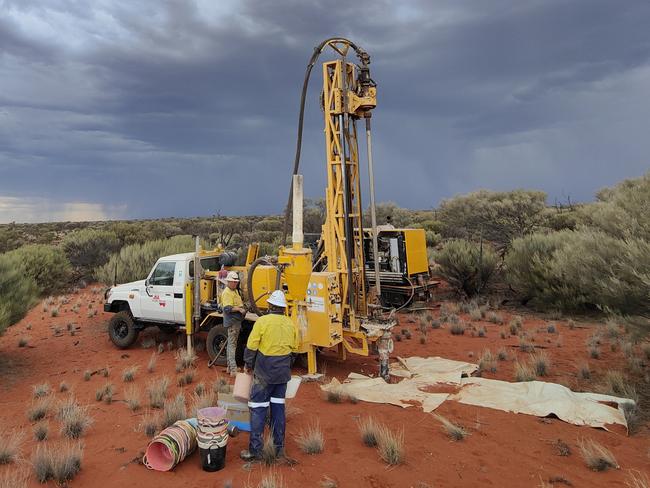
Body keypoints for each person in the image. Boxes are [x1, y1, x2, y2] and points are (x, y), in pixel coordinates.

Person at [240, 290, 298, 462]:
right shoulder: (290, 323)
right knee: (278, 410)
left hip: (264, 373)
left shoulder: (262, 321)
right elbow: (294, 350)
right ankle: (278, 449)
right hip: (282, 375)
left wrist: (248, 365)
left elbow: (251, 346)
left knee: (258, 410)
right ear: (282, 308)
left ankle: (255, 451)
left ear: (271, 306)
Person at [221, 271, 246, 376]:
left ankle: (229, 367)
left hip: (236, 322)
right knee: (232, 345)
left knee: (231, 344)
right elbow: (227, 308)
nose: (235, 283)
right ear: (229, 282)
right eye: (233, 282)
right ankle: (233, 369)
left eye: (236, 282)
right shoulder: (227, 292)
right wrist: (240, 310)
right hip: (232, 322)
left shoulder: (234, 291)